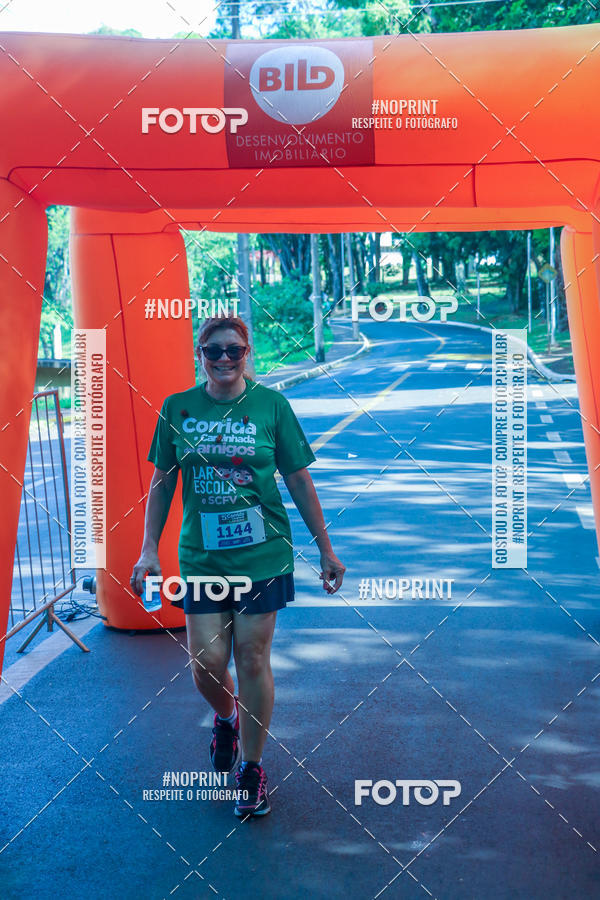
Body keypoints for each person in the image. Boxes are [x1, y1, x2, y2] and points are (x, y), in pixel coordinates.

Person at [131, 314, 345, 818]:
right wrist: (147, 550)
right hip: (202, 559)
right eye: (214, 351)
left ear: (248, 353)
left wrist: (325, 547)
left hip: (263, 555)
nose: (224, 359)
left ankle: (252, 767)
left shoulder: (272, 405)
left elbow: (297, 480)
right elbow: (162, 485)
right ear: (199, 355)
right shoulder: (178, 408)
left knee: (251, 658)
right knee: (205, 664)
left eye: (234, 350)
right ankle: (226, 717)